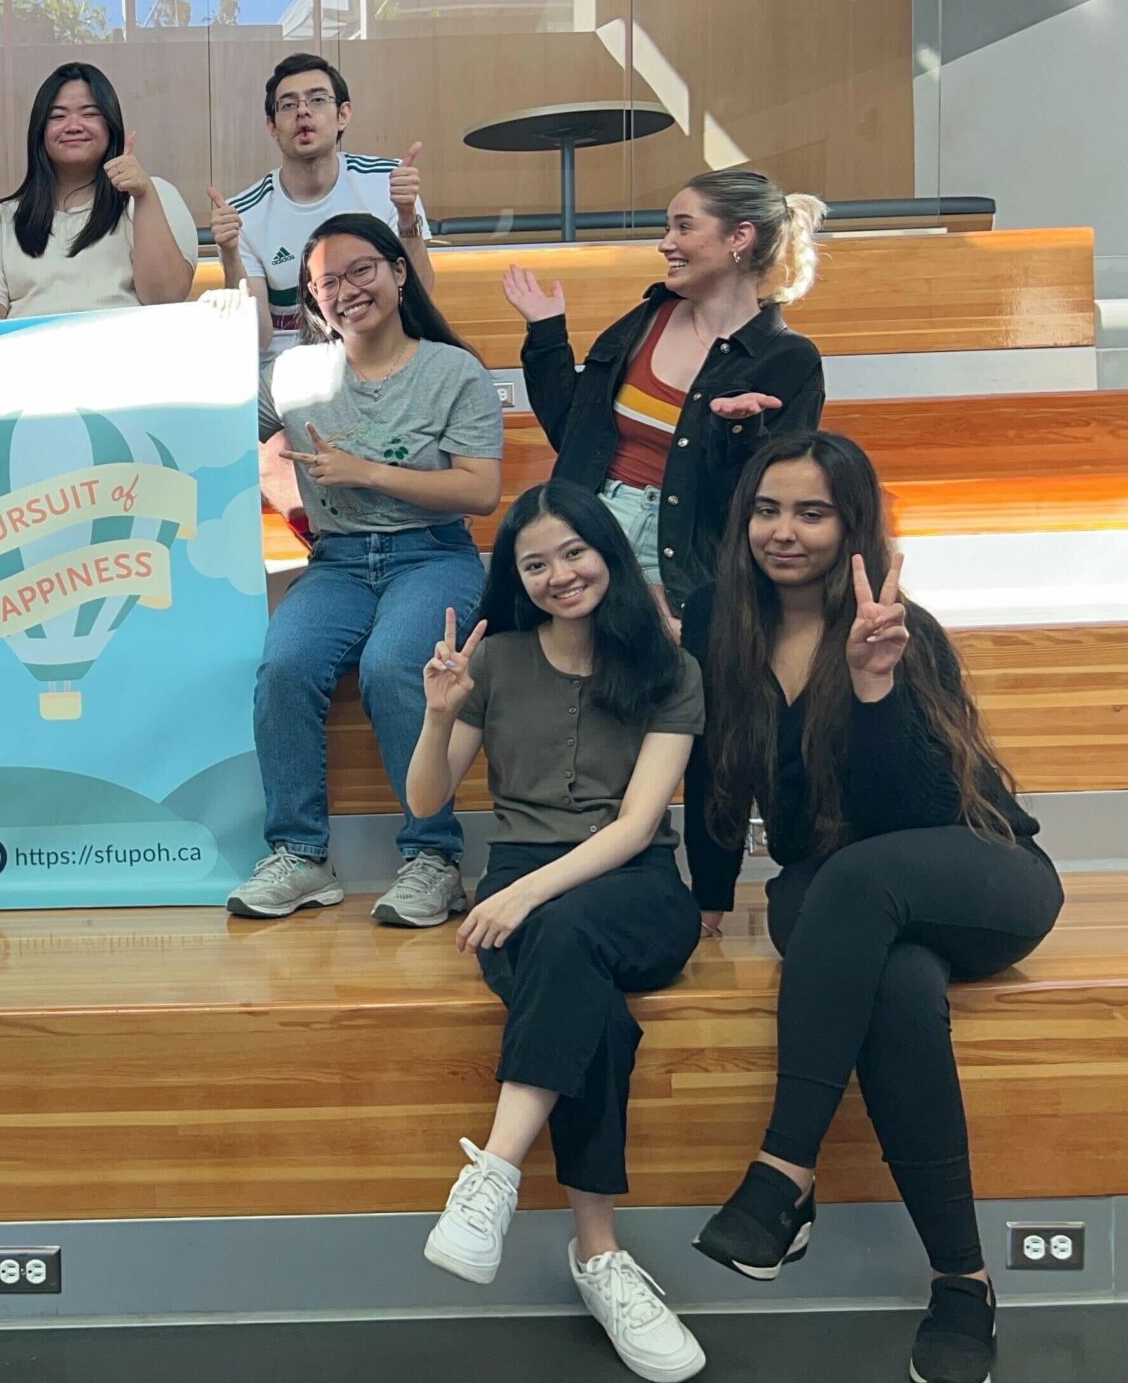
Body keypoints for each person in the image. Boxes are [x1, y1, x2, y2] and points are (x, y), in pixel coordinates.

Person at [686, 431, 1062, 1383]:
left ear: (853, 524)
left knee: (856, 880)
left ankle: (782, 1171)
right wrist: (705, 899)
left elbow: (924, 819)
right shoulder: (717, 626)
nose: (783, 530)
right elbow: (708, 775)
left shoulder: (900, 626)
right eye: (767, 508)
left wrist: (872, 686)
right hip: (844, 896)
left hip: (978, 872)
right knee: (891, 981)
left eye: (811, 512)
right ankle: (962, 1285)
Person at [404, 482, 708, 1383]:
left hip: (637, 885)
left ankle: (493, 1173)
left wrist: (523, 896)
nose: (556, 574)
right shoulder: (492, 664)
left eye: (572, 552)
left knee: (566, 931)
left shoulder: (669, 670)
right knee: (597, 1018)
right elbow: (425, 803)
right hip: (527, 887)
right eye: (533, 563)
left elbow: (632, 826)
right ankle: (601, 1258)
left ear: (608, 552)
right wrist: (437, 713)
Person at [230, 213, 503, 928]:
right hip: (337, 562)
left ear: (398, 271)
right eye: (325, 283)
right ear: (313, 301)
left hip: (433, 554)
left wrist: (368, 473)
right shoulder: (291, 373)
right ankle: (300, 855)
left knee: (392, 667)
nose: (345, 291)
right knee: (284, 667)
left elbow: (479, 492)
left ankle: (433, 858)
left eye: (361, 271)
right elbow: (214, 433)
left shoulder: (452, 370)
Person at [503, 169, 827, 618]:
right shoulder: (646, 319)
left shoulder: (788, 358)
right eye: (667, 227)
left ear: (740, 236)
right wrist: (547, 336)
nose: (664, 243)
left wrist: (740, 433)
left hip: (684, 556)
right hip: (587, 527)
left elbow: (769, 502)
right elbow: (571, 433)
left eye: (684, 226)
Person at [207, 54, 431, 356]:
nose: (302, 112)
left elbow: (420, 298)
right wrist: (231, 255)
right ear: (272, 126)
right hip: (288, 374)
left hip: (380, 359)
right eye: (288, 105)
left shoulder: (387, 182)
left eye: (317, 100)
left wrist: (408, 217)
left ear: (343, 114)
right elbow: (257, 339)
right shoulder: (243, 213)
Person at [0, 62, 204, 323]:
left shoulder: (154, 196)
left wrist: (144, 196)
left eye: (89, 114)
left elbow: (166, 298)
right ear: (39, 132)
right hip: (31, 361)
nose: (73, 126)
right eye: (57, 116)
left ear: (111, 125)